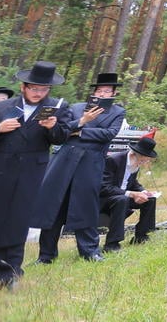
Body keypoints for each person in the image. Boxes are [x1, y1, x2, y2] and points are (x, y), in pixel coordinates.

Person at [0, 61, 72, 287]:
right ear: (23, 86)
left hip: (28, 176)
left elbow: (61, 138)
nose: (38, 93)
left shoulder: (58, 108)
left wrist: (52, 127)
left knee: (15, 224)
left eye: (43, 89)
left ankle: (8, 276)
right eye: (34, 88)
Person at [33, 71, 127, 264]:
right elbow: (63, 131)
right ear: (93, 92)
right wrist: (79, 124)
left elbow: (108, 134)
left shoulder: (118, 112)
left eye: (106, 91)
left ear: (114, 94)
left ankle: (90, 251)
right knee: (54, 206)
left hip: (91, 163)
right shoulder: (76, 108)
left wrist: (80, 130)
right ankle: (46, 255)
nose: (102, 94)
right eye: (99, 91)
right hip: (64, 161)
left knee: (86, 206)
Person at [98, 136, 158, 251]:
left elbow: (133, 183)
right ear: (134, 155)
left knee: (150, 200)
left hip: (123, 197)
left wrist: (144, 192)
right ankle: (112, 244)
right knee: (122, 199)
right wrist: (132, 194)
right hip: (106, 199)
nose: (146, 162)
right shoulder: (114, 160)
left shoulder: (136, 164)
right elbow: (104, 188)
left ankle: (141, 236)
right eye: (144, 159)